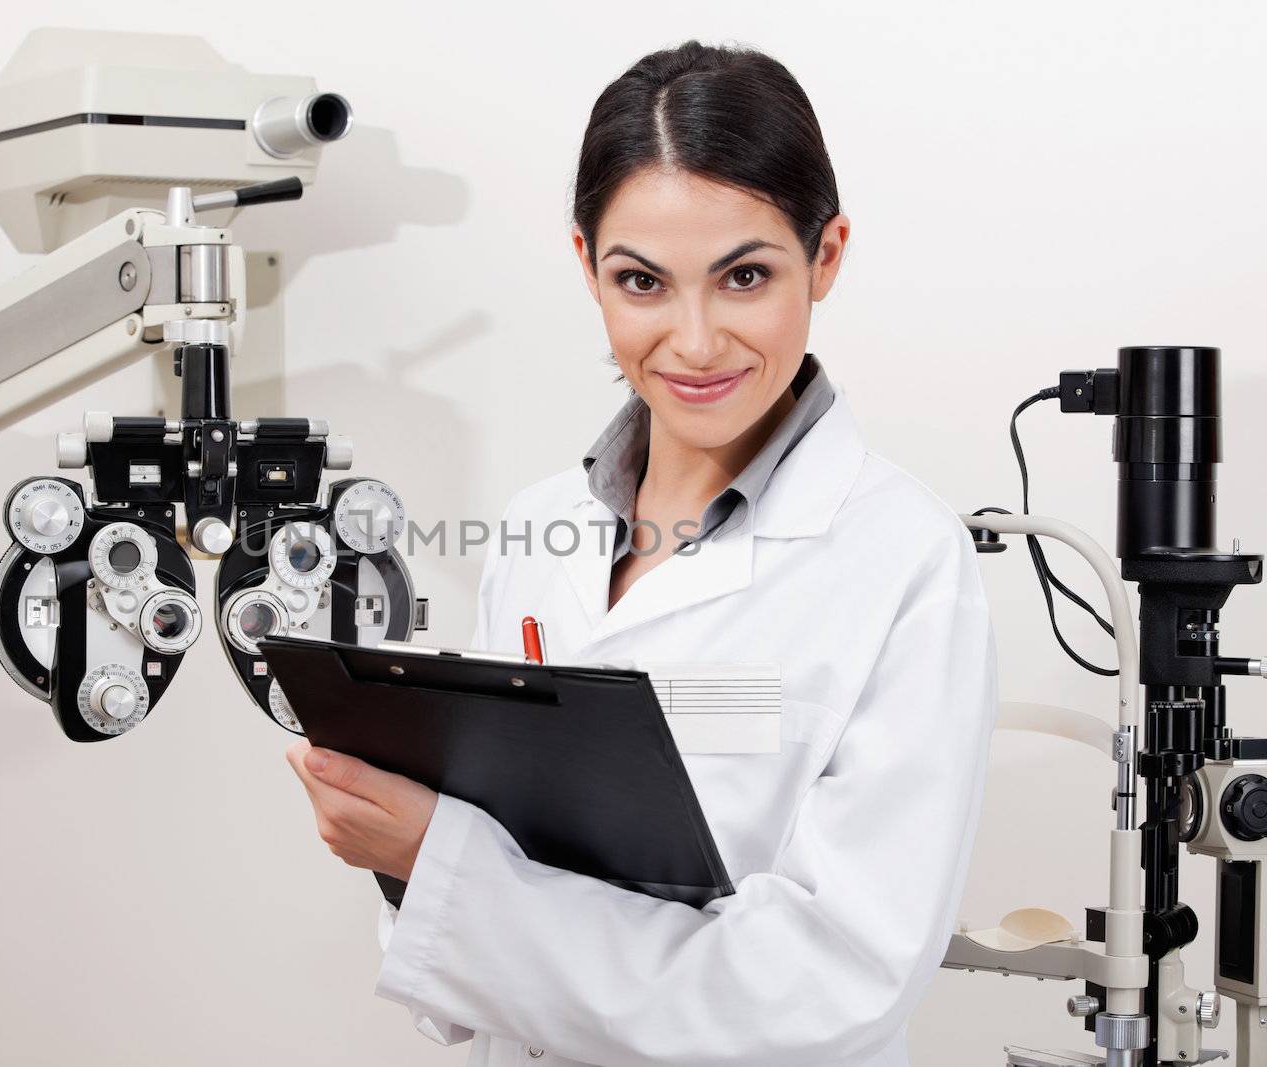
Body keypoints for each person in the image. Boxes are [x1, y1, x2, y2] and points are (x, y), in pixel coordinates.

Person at [287, 40, 997, 1067]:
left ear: (827, 256)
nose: (696, 341)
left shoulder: (903, 562)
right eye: (642, 282)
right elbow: (458, 969)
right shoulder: (537, 531)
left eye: (745, 275)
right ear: (587, 266)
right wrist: (403, 857)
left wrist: (438, 864)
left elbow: (829, 983)